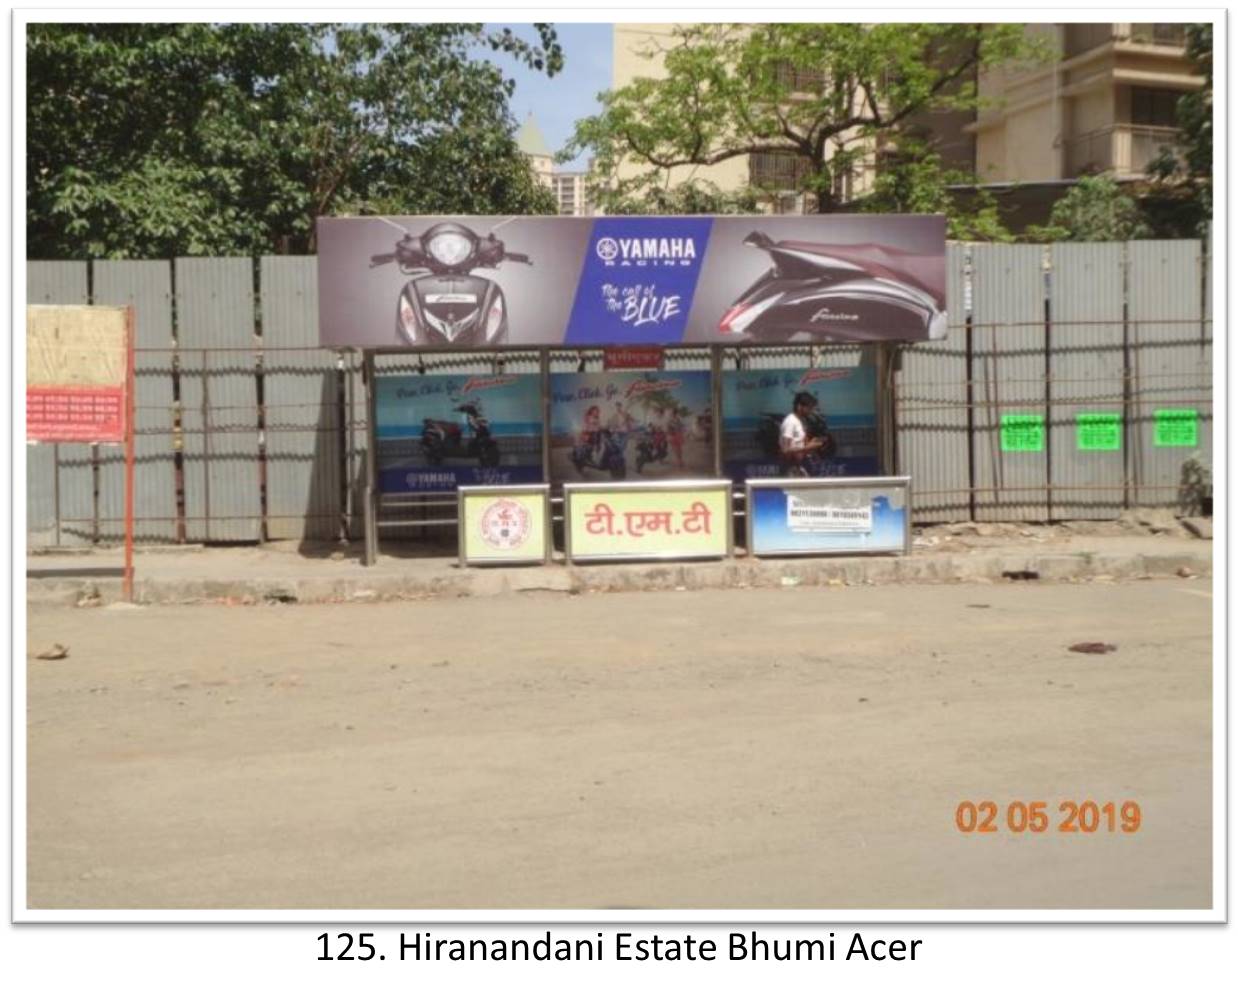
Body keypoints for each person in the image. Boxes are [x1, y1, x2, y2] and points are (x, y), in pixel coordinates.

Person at [779, 391, 826, 477]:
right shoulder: (790, 422)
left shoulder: (801, 422)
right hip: (789, 468)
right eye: (809, 408)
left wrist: (812, 444)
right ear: (799, 406)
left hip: (799, 466)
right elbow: (785, 450)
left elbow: (799, 444)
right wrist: (807, 447)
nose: (811, 411)